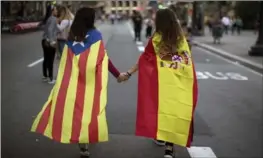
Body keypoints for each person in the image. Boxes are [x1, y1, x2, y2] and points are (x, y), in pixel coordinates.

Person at [31, 7, 128, 157]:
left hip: (72, 81)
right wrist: (117, 75)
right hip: (90, 81)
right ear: (90, 19)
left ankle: (82, 145)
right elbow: (103, 59)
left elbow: (65, 59)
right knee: (89, 110)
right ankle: (86, 137)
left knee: (75, 111)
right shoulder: (95, 35)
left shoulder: (72, 36)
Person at [122, 8, 198, 158]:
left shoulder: (156, 39)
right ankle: (169, 148)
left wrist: (129, 73)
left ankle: (162, 136)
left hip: (161, 84)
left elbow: (144, 59)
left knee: (163, 111)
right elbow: (187, 59)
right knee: (175, 113)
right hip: (180, 83)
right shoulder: (181, 38)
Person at [41, 5, 58, 84]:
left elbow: (46, 29)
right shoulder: (53, 19)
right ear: (52, 11)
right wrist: (52, 41)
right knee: (50, 60)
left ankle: (45, 76)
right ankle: (51, 78)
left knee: (46, 59)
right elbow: (50, 30)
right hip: (50, 42)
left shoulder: (47, 18)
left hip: (44, 40)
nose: (56, 11)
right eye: (55, 9)